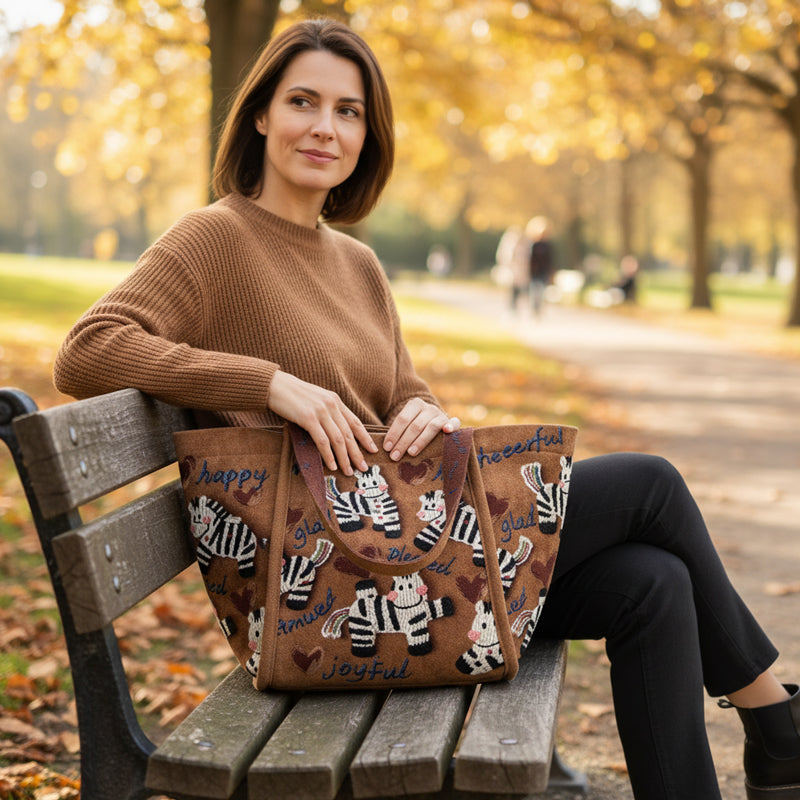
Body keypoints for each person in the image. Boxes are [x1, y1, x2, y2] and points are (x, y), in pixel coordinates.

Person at [52, 18, 799, 800]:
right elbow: (87, 349)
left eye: (348, 111)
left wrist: (422, 414)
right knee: (650, 484)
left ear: (367, 135)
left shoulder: (357, 262)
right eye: (303, 101)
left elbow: (403, 388)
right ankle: (778, 726)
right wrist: (268, 384)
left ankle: (759, 753)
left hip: (414, 551)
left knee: (653, 582)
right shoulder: (213, 240)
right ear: (261, 114)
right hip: (332, 584)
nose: (324, 127)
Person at [495, 224, 531, 313]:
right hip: (511, 272)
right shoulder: (508, 245)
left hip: (520, 273)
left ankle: (517, 309)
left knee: (519, 292)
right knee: (511, 292)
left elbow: (527, 258)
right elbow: (503, 257)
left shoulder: (525, 245)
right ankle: (511, 309)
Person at [526, 215, 554, 316]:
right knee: (534, 292)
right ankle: (534, 310)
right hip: (534, 273)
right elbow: (529, 259)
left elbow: (550, 259)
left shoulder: (547, 245)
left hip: (543, 272)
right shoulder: (532, 244)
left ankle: (539, 310)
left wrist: (551, 271)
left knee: (541, 292)